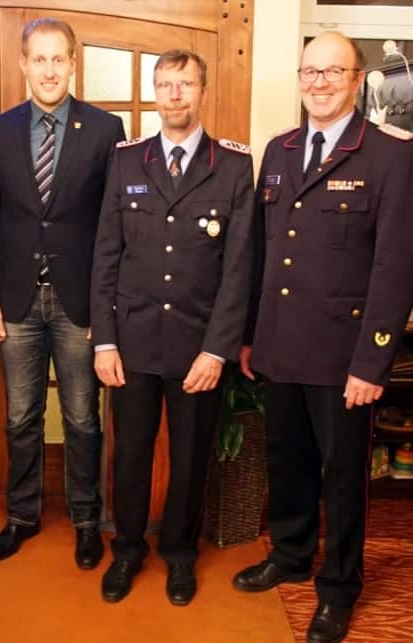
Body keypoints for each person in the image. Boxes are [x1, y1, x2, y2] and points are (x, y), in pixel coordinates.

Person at [232, 32, 413, 643]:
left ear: (357, 79)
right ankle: (290, 556)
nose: (319, 82)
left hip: (343, 357)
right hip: (281, 345)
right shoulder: (279, 150)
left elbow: (395, 267)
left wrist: (372, 361)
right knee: (287, 462)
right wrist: (251, 336)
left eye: (333, 71)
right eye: (310, 71)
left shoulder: (389, 154)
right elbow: (262, 253)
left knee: (342, 477)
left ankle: (338, 587)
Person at [90, 49, 254, 605]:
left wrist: (217, 350)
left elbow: (238, 268)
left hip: (197, 345)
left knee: (190, 456)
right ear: (155, 92)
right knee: (130, 455)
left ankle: (180, 554)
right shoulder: (126, 160)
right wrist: (105, 340)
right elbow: (105, 256)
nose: (174, 94)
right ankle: (127, 550)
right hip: (133, 341)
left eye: (185, 84)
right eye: (165, 84)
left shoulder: (232, 166)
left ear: (202, 91)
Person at [0, 17, 125, 568]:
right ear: (23, 64)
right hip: (15, 301)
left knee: (83, 418)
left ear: (73, 64)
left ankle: (86, 519)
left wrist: (107, 309)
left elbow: (113, 228)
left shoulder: (105, 130)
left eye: (58, 58)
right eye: (39, 59)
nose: (49, 70)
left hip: (79, 303)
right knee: (21, 417)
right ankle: (22, 515)